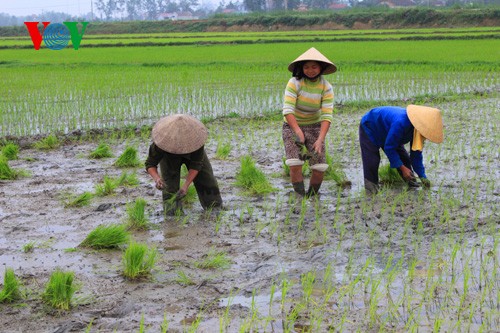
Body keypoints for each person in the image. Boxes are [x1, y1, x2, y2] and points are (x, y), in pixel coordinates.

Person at [282, 47, 337, 206]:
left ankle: (312, 197)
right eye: (306, 67)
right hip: (292, 126)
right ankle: (300, 198)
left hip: (315, 126)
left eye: (314, 67)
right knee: (295, 163)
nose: (310, 70)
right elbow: (287, 110)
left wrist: (320, 139)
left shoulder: (326, 87)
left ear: (321, 68)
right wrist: (297, 131)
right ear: (301, 68)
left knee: (319, 166)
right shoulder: (294, 83)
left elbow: (327, 115)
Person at [145, 114, 223, 216]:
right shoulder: (161, 143)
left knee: (206, 178)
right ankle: (172, 214)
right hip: (169, 157)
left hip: (192, 153)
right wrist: (157, 179)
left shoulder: (196, 141)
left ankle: (214, 207)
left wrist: (186, 185)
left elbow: (196, 165)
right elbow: (150, 163)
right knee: (169, 186)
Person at [359, 105, 444, 194]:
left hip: (390, 133)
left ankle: (411, 183)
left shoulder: (418, 131)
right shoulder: (401, 122)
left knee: (404, 158)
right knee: (372, 160)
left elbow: (416, 156)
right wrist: (403, 169)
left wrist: (423, 177)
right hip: (371, 126)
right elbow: (389, 148)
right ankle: (371, 189)